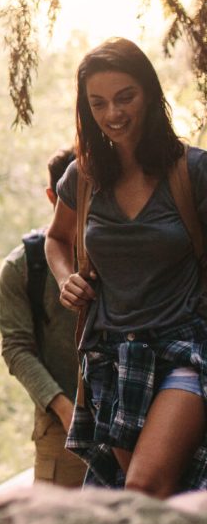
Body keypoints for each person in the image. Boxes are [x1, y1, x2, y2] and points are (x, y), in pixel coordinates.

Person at [46, 37, 207, 496]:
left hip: (185, 348)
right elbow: (55, 240)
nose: (113, 114)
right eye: (98, 103)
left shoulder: (193, 171)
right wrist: (65, 278)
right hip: (111, 357)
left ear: (151, 94)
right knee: (149, 499)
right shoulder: (84, 176)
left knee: (143, 486)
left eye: (125, 98)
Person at [0, 148, 86, 487]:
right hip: (60, 429)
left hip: (133, 419)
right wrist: (64, 409)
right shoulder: (22, 268)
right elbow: (17, 349)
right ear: (53, 196)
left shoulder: (124, 252)